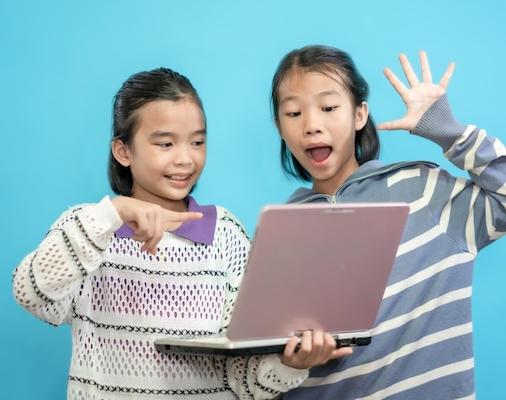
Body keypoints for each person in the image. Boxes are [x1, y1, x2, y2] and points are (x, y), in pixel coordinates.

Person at [12, 67, 351, 400]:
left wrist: (289, 363)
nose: (185, 159)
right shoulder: (90, 227)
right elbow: (33, 295)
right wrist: (110, 215)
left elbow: (245, 380)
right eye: (165, 144)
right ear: (123, 151)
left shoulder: (226, 235)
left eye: (197, 141)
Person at [269, 45, 506, 399]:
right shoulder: (279, 229)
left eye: (328, 107)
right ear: (279, 127)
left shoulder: (421, 190)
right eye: (294, 113)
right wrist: (291, 361)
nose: (312, 125)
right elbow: (268, 361)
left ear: (359, 115)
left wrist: (447, 131)